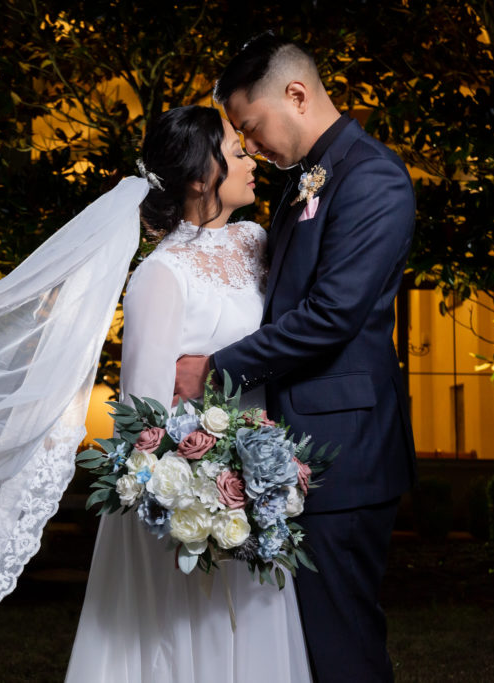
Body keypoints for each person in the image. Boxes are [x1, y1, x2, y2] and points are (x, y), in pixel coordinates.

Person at [174, 35, 417, 682]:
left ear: (297, 94)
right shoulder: (305, 181)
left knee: (342, 649)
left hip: (345, 450)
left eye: (250, 127)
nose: (248, 146)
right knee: (305, 651)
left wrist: (216, 368)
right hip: (293, 449)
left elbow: (331, 316)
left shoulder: (373, 179)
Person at [65, 105, 311, 683]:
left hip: (259, 484)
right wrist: (204, 494)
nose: (251, 158)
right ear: (202, 176)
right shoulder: (161, 275)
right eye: (236, 149)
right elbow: (143, 422)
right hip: (192, 502)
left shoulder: (256, 242)